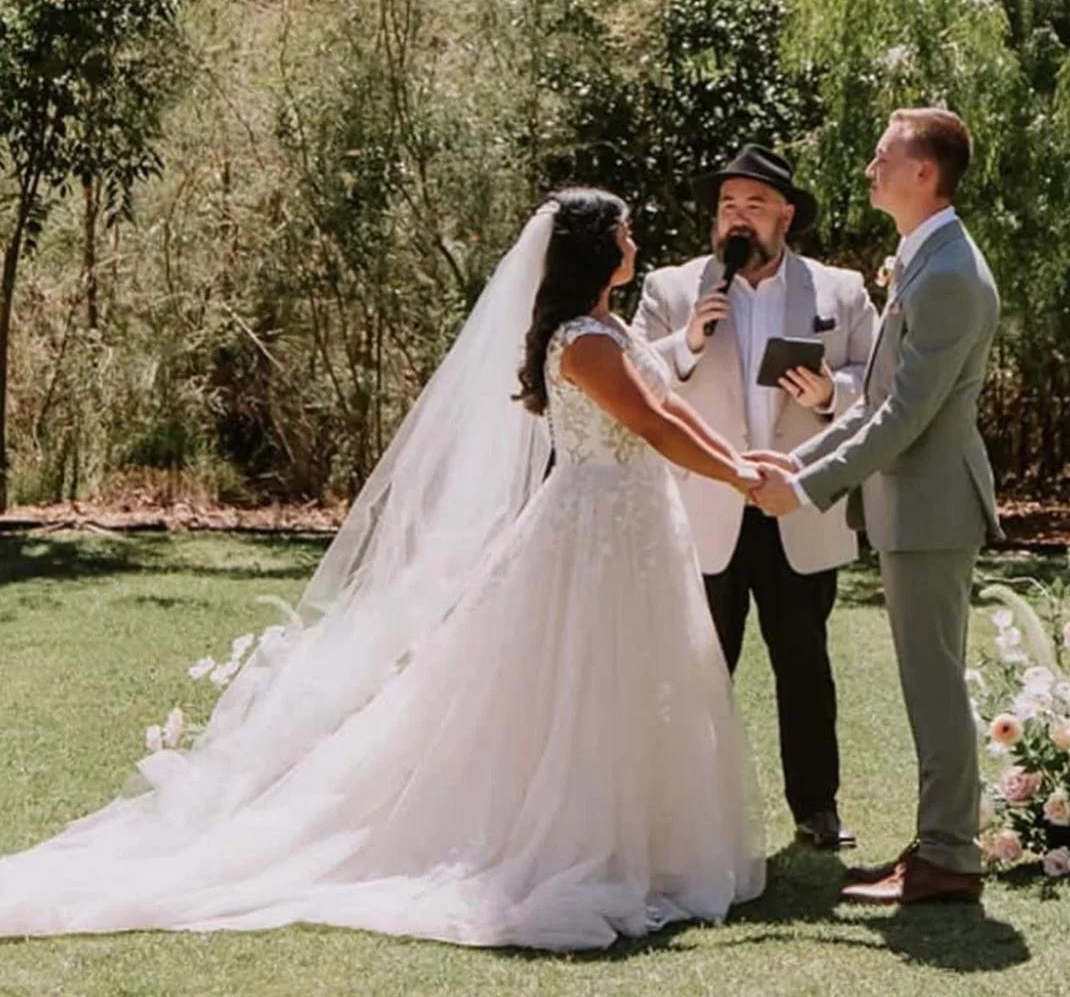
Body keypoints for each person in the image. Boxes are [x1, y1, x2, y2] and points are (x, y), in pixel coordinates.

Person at [0, 191, 765, 952]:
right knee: (582, 680)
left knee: (637, 676)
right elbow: (652, 424)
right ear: (599, 250)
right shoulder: (582, 342)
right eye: (627, 234)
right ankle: (579, 838)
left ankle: (651, 838)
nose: (635, 243)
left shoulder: (612, 327)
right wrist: (737, 480)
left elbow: (672, 405)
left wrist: (740, 461)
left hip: (634, 525)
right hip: (596, 526)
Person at [751, 110, 1002, 907]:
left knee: (934, 684)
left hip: (932, 510)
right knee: (925, 683)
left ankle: (950, 858)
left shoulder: (953, 274)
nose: (868, 167)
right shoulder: (925, 261)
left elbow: (905, 417)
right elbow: (876, 403)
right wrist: (796, 460)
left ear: (924, 172)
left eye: (882, 154)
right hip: (909, 509)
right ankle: (937, 844)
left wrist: (801, 490)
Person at [637, 144, 876, 852]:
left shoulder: (840, 290)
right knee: (701, 667)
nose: (736, 218)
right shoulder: (672, 289)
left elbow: (878, 383)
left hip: (797, 505)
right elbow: (635, 384)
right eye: (726, 206)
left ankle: (817, 808)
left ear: (786, 215)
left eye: (753, 205)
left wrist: (833, 393)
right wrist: (686, 342)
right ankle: (687, 813)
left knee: (805, 664)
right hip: (706, 507)